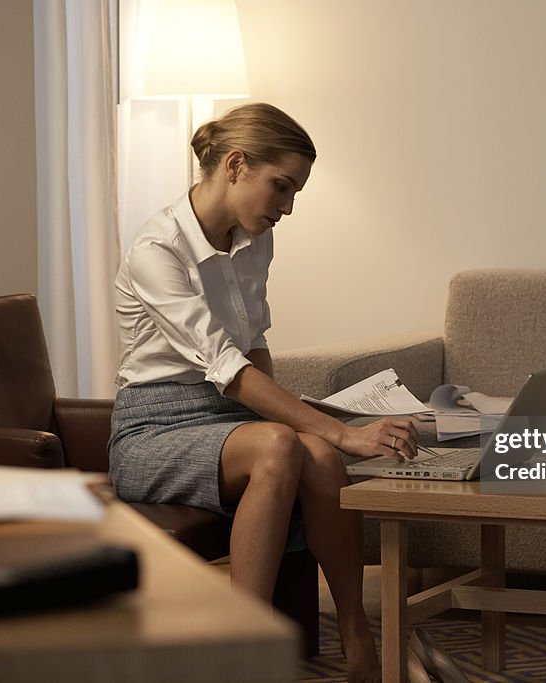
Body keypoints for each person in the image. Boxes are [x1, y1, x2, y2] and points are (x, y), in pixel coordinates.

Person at [109, 102, 415, 683]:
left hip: (230, 418)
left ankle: (356, 635)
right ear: (235, 164)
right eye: (281, 187)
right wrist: (344, 430)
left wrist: (325, 430)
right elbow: (226, 368)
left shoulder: (253, 241)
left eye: (295, 192)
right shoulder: (157, 250)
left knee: (320, 456)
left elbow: (254, 352)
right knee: (285, 446)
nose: (288, 207)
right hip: (154, 430)